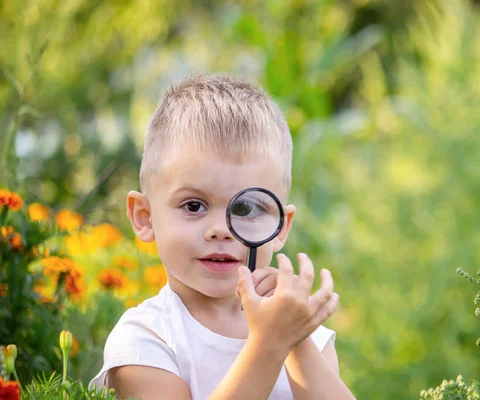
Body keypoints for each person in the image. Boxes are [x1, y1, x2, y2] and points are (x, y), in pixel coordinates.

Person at [89, 74, 355, 400]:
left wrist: (296, 343)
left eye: (245, 209)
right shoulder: (145, 340)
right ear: (145, 217)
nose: (222, 230)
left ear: (280, 228)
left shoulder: (304, 334)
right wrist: (270, 344)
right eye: (194, 205)